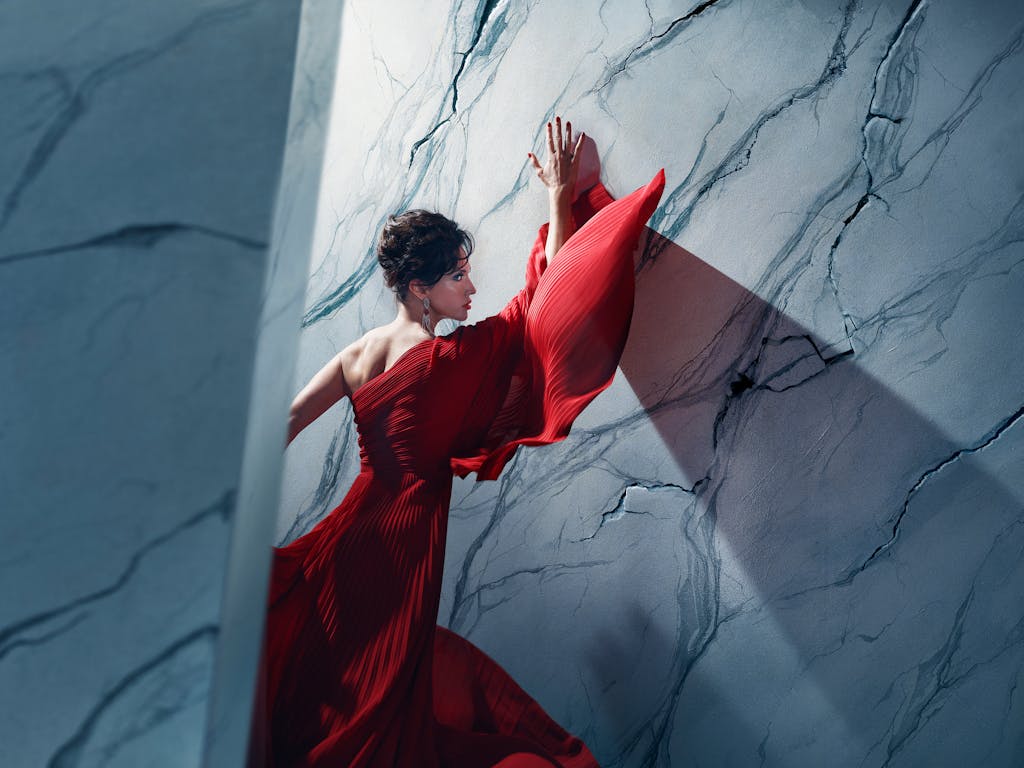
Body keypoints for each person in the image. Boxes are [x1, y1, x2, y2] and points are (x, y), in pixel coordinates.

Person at [247, 116, 666, 767]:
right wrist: (560, 199)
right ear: (420, 288)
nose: (471, 288)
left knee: (335, 682)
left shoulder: (360, 353)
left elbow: (286, 422)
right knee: (379, 694)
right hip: (401, 544)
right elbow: (544, 300)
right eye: (458, 278)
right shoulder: (448, 359)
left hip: (350, 534)